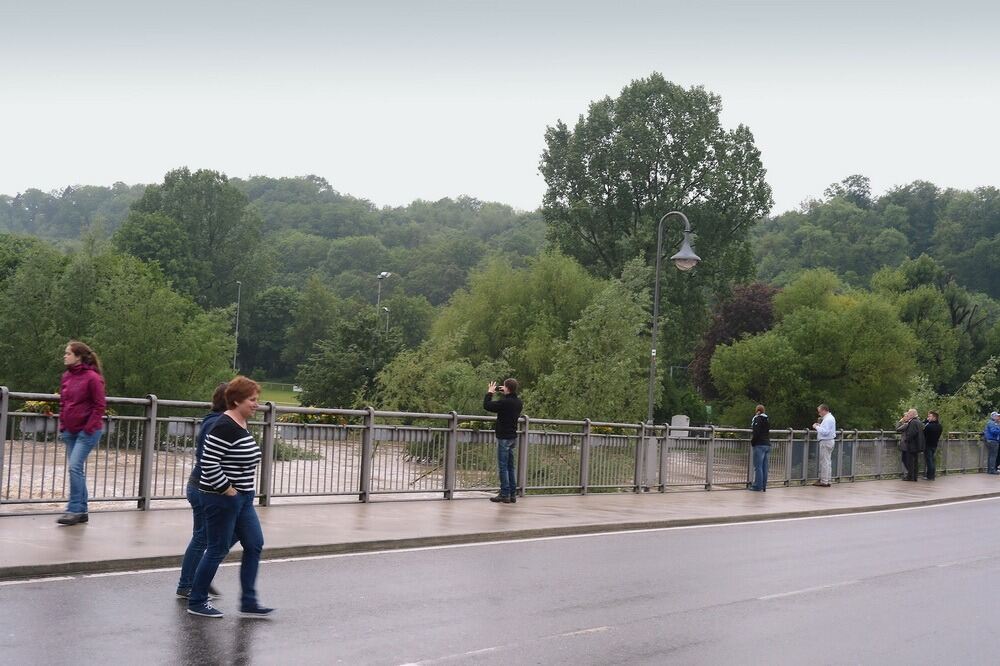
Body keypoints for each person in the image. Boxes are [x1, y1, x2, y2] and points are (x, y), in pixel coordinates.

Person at [187, 376, 273, 619]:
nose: (257, 404)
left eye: (257, 399)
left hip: (243, 499)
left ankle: (249, 601)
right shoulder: (224, 425)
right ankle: (196, 600)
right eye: (252, 400)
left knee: (254, 544)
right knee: (217, 549)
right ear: (236, 401)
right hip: (221, 499)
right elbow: (208, 461)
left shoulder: (241, 423)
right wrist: (226, 488)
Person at [175, 382, 228, 599]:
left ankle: (199, 578)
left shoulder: (213, 420)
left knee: (204, 537)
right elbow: (210, 461)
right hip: (203, 488)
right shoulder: (217, 423)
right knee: (203, 538)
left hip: (199, 486)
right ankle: (187, 584)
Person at [56, 341, 107, 526]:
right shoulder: (66, 376)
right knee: (76, 469)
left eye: (68, 353)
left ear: (78, 357)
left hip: (87, 432)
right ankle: (82, 510)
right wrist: (63, 424)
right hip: (70, 431)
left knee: (74, 467)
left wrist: (88, 428)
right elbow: (64, 402)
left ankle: (74, 510)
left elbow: (99, 405)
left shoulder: (92, 378)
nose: (65, 356)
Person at [483, 379, 523, 504]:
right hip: (512, 437)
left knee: (503, 467)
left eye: (504, 387)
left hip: (504, 437)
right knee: (510, 467)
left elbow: (487, 405)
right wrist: (504, 392)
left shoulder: (505, 402)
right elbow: (507, 401)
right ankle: (512, 494)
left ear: (507, 388)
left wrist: (490, 392)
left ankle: (504, 494)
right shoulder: (518, 402)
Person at [895, 408, 925, 481]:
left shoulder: (913, 422)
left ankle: (910, 476)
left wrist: (906, 440)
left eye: (909, 413)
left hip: (911, 445)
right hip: (916, 445)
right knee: (915, 462)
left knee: (910, 461)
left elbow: (911, 433)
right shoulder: (919, 422)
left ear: (912, 414)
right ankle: (914, 476)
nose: (908, 414)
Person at [812, 404, 836, 487]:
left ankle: (824, 481)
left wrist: (816, 427)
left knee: (824, 462)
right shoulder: (830, 418)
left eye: (820, 412)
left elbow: (825, 432)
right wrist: (820, 426)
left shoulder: (828, 419)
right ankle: (828, 480)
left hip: (826, 441)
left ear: (824, 410)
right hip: (829, 441)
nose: (819, 414)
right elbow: (826, 429)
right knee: (827, 461)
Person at [749, 404, 770, 492]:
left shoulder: (757, 419)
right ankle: (763, 486)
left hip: (759, 445)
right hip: (767, 445)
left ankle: (757, 486)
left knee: (758, 467)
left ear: (757, 411)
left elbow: (756, 432)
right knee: (764, 467)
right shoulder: (766, 419)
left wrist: (753, 442)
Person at [922, 411, 942, 480]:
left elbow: (923, 433)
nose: (928, 418)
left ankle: (930, 476)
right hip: (934, 444)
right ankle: (932, 475)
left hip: (928, 445)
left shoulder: (929, 426)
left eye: (930, 416)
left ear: (934, 418)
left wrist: (926, 421)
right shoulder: (939, 426)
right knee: (932, 460)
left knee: (929, 461)